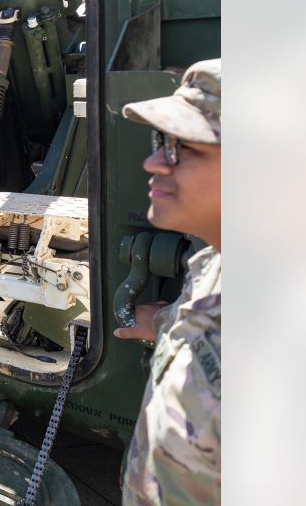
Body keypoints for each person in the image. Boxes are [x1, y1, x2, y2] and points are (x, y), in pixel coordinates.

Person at [115, 58, 222, 505]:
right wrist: (165, 323)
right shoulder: (216, 265)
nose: (153, 162)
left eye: (182, 148)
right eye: (162, 141)